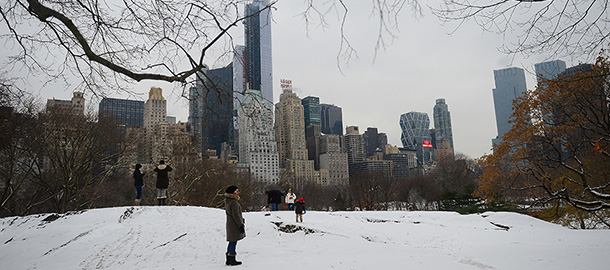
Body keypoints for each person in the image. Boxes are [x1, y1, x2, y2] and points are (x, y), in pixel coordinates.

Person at [224, 185, 245, 266]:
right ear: (232, 192)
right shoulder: (234, 202)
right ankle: (232, 259)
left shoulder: (227, 200)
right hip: (234, 224)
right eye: (236, 191)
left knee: (231, 241)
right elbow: (236, 215)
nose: (238, 192)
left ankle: (228, 259)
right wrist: (240, 225)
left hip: (230, 223)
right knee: (233, 241)